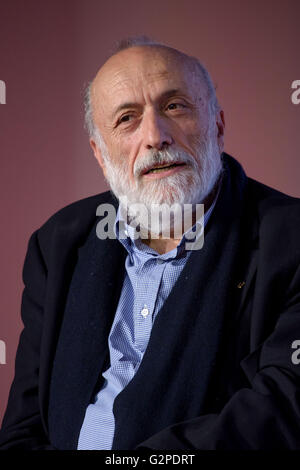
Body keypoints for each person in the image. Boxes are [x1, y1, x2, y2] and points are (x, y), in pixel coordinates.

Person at [0, 36, 300, 451]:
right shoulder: (58, 244)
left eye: (175, 106)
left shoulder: (290, 240)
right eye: (127, 119)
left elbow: (283, 413)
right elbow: (24, 426)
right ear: (101, 155)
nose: (156, 136)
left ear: (218, 124)